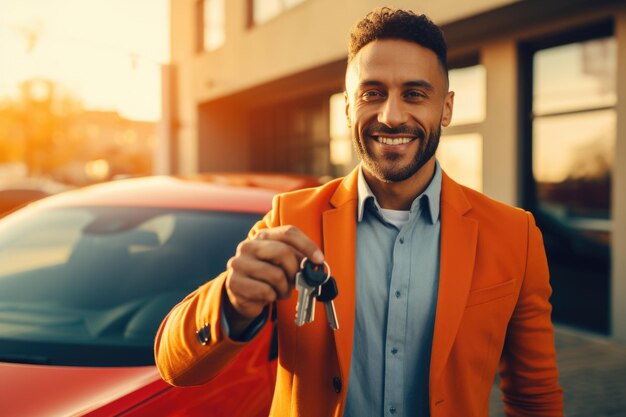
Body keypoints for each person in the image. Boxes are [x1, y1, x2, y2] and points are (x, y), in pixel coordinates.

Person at [154, 7, 563, 417]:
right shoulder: (290, 218)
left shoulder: (514, 235)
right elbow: (175, 367)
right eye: (372, 93)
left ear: (446, 108)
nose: (391, 116)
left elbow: (535, 399)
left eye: (415, 94)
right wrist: (229, 300)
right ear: (348, 109)